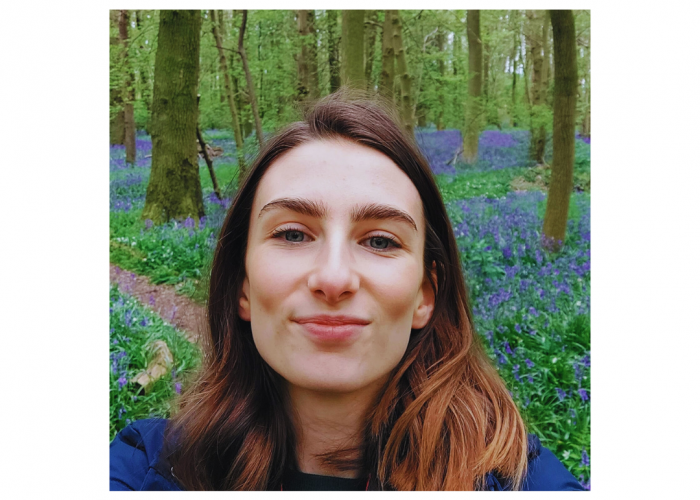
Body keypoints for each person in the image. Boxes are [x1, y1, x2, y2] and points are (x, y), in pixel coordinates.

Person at [110, 89, 585, 491]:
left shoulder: (520, 479)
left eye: (380, 241)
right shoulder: (148, 469)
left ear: (425, 294)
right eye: (293, 234)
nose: (334, 278)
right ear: (243, 286)